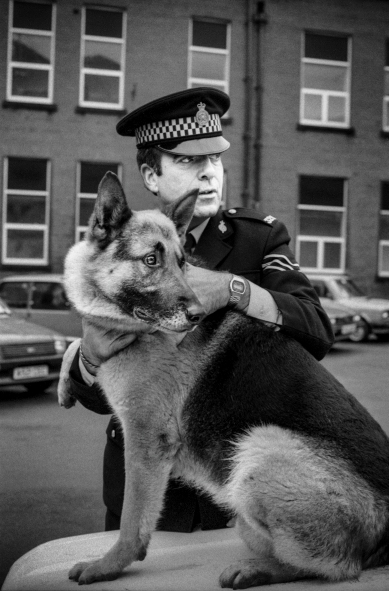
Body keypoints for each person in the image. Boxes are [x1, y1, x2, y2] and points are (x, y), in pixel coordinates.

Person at [68, 87, 334, 533]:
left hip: (233, 497)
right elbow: (105, 401)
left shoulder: (259, 238)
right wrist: (91, 357)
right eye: (189, 161)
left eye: (214, 160)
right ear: (151, 176)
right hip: (143, 496)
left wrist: (236, 289)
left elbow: (318, 332)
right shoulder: (120, 250)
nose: (209, 174)